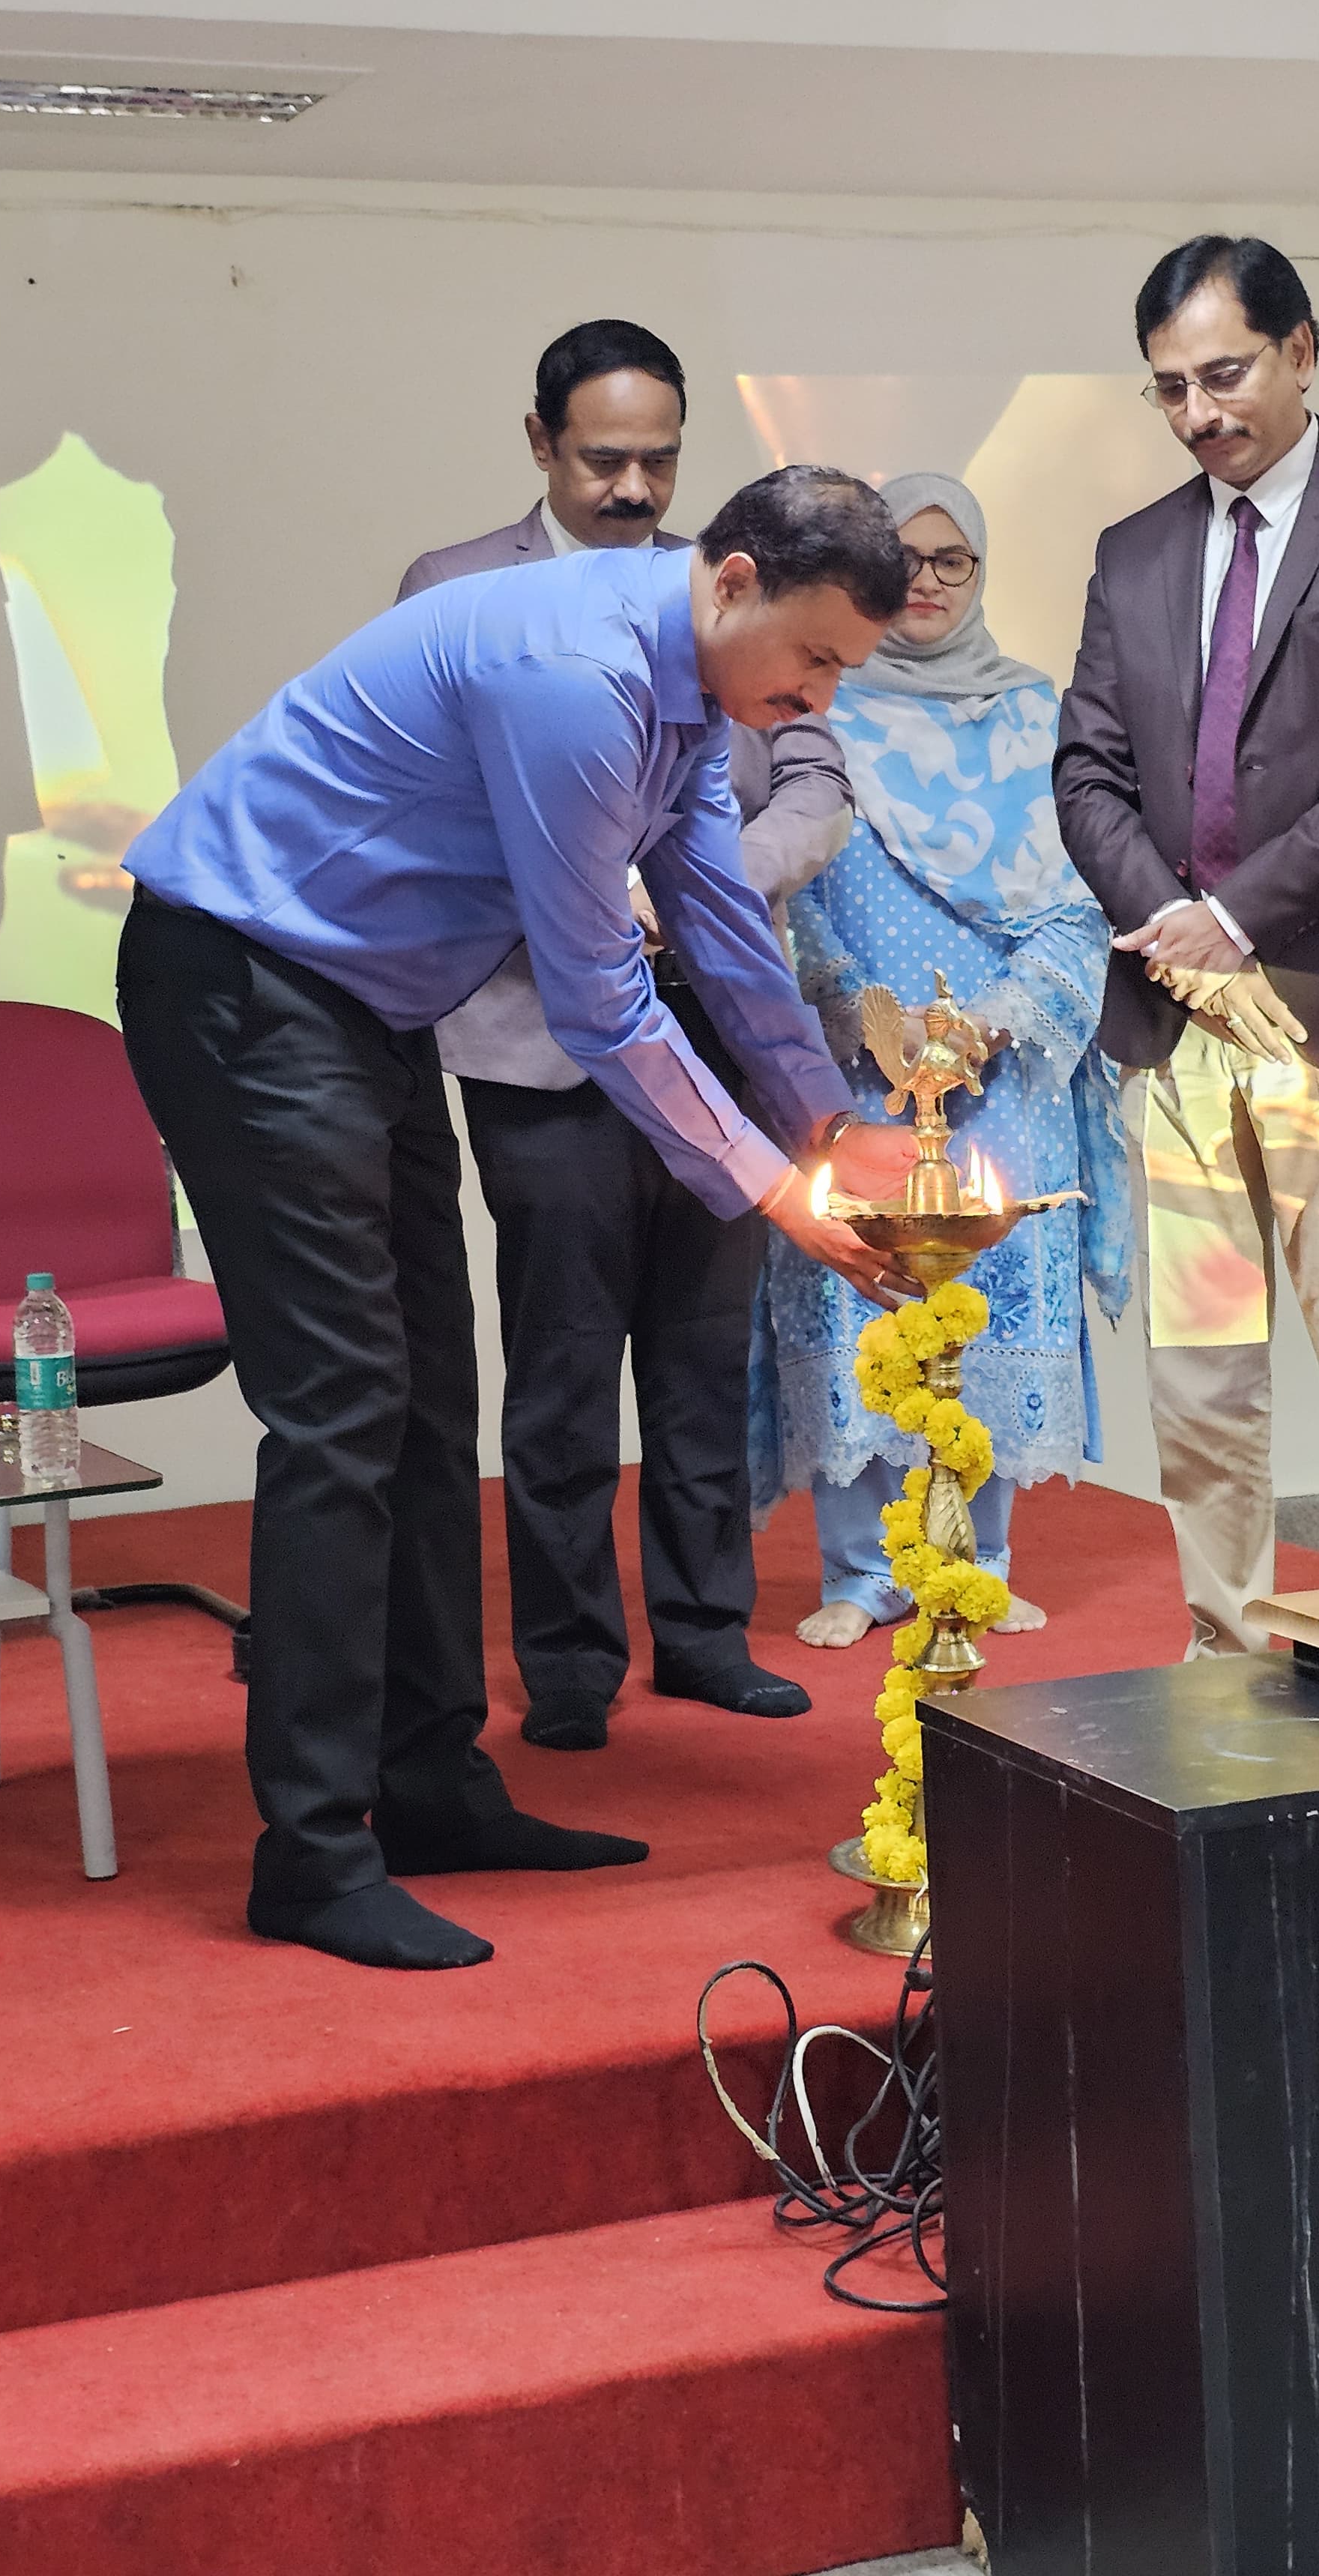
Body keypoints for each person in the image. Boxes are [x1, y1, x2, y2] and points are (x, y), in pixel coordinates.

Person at [117, 467, 919, 1972]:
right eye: (815, 658)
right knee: (343, 1410)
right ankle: (310, 1851)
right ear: (734, 579)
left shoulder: (689, 684)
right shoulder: (575, 675)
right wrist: (772, 1188)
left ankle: (425, 1784)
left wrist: (828, 1123)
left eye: (841, 674)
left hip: (361, 1007)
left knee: (430, 1399)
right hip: (243, 984)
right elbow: (599, 993)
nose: (818, 698)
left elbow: (716, 915)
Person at [399, 320, 854, 1749]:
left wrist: (697, 886)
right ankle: (570, 1658)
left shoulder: (727, 590)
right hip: (544, 1039)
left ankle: (707, 1631)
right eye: (605, 459)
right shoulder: (460, 588)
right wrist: (609, 892)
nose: (636, 487)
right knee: (563, 1358)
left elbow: (813, 783)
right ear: (541, 443)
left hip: (717, 1022)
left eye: (660, 459)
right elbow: (469, 823)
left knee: (705, 1352)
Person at [1054, 234, 1319, 1656]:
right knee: (1201, 1368)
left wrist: (1235, 919)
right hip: (1181, 1016)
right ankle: (1225, 1659)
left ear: (1302, 351)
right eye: (1170, 388)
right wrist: (1182, 940)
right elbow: (1087, 773)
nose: (1199, 412)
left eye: (1225, 374)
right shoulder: (1135, 552)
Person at [752, 473, 1131, 1648]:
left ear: (979, 571)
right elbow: (796, 893)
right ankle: (864, 1570)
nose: (926, 582)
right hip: (858, 1065)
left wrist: (996, 1022)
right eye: (904, 560)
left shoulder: (1038, 714)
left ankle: (979, 1559)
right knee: (857, 1291)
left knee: (989, 1297)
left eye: (950, 560)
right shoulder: (822, 706)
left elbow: (1080, 896)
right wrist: (861, 1013)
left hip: (1004, 1071)